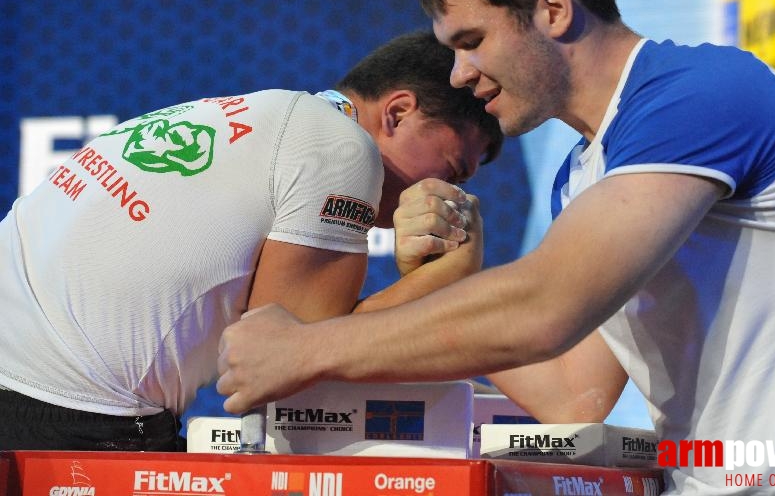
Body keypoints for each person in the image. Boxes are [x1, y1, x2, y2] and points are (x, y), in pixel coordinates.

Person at [216, 0, 775, 493]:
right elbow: (573, 392)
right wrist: (456, 279)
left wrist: (308, 349)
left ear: (551, 8)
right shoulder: (582, 174)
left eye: (471, 41)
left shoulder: (702, 92)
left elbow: (548, 303)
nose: (457, 75)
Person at [0, 29, 502, 451]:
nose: (448, 193)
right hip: (57, 410)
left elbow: (293, 345)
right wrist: (451, 275)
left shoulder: (268, 116)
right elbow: (292, 363)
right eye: (455, 170)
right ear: (397, 113)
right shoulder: (341, 146)